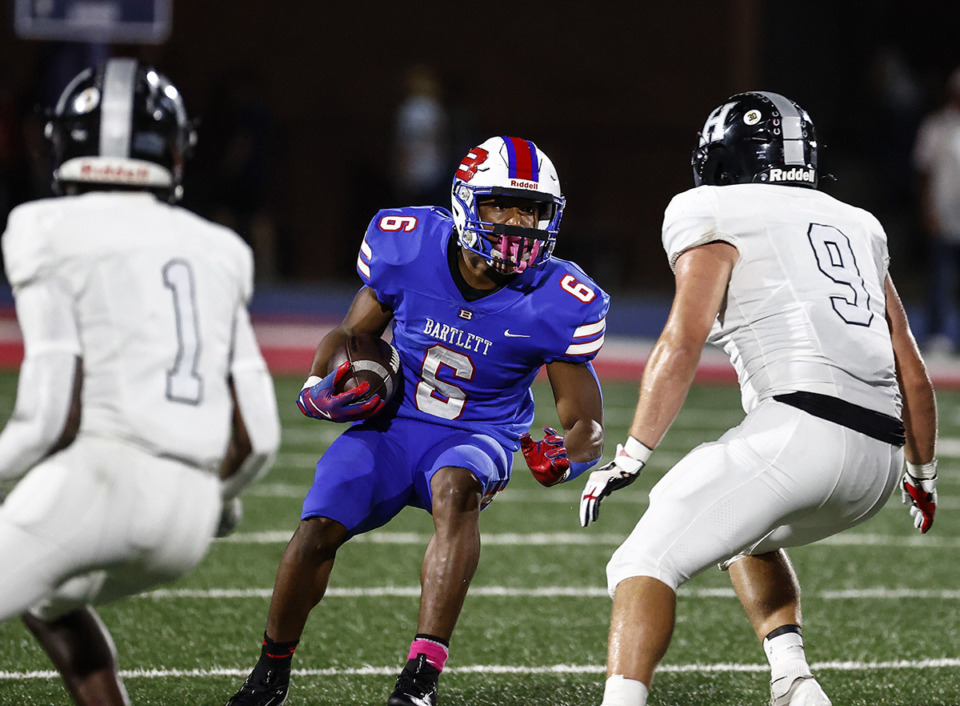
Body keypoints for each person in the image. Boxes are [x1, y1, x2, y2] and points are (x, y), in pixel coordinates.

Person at [578, 91, 938, 706]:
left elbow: (682, 339)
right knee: (743, 526)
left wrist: (632, 453)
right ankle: (795, 681)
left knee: (641, 560)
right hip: (879, 464)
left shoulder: (710, 208)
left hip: (801, 431)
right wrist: (922, 472)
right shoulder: (859, 222)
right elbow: (911, 364)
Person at [226, 135, 608, 706]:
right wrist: (319, 382)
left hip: (478, 432)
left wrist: (569, 454)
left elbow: (585, 422)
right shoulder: (410, 246)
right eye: (501, 204)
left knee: (457, 490)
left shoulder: (556, 296)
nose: (518, 222)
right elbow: (352, 334)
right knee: (315, 531)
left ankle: (419, 680)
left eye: (531, 210)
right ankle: (270, 672)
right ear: (464, 203)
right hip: (392, 424)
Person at [0, 58, 281, 705]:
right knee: (50, 597)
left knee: (41, 558)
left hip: (96, 480)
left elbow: (43, 418)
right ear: (177, 152)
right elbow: (260, 439)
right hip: (185, 520)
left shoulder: (41, 227)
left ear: (62, 141)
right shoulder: (222, 248)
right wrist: (215, 498)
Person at [913, 67, 960, 353]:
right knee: (941, 275)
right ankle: (939, 333)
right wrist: (927, 209)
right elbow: (923, 172)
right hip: (944, 211)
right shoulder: (935, 126)